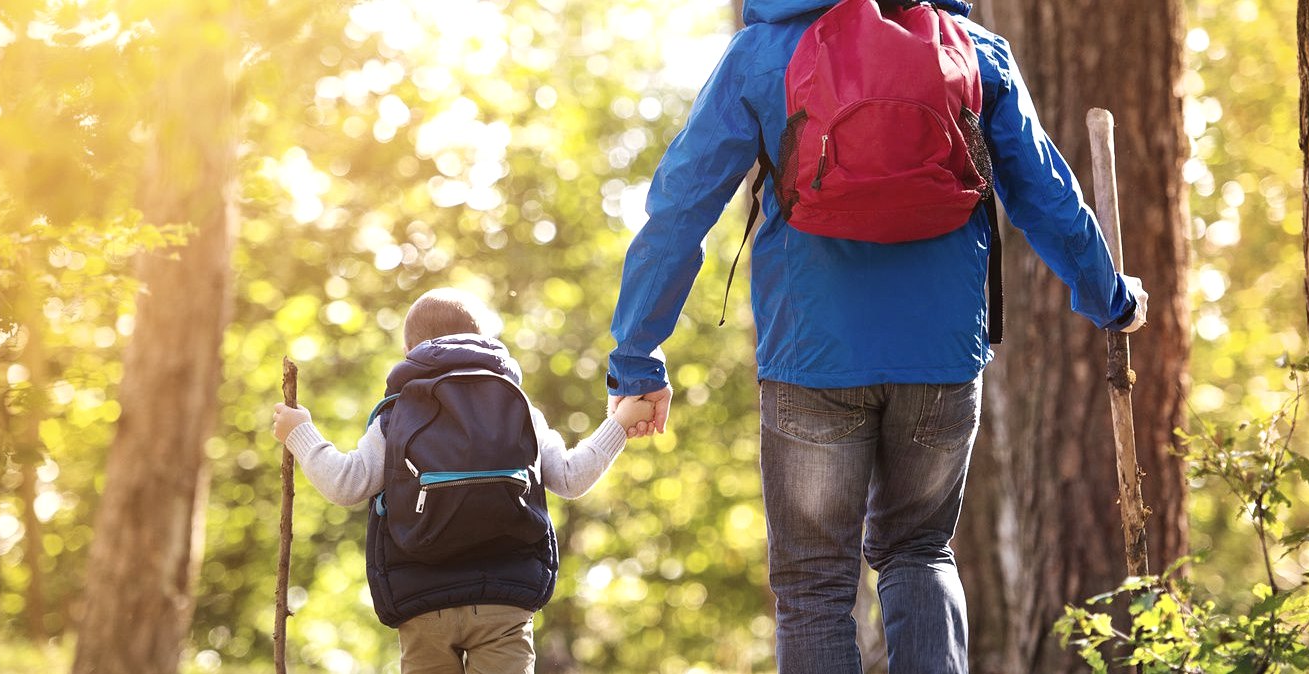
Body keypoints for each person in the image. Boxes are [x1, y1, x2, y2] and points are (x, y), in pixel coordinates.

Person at [604, 0, 1149, 670]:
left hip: (810, 358)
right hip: (938, 359)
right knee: (918, 553)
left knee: (813, 586)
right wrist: (1110, 299)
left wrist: (636, 358)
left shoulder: (763, 51)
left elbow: (680, 208)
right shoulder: (975, 52)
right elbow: (1048, 197)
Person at [273, 288, 653, 674]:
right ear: (486, 342)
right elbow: (571, 478)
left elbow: (346, 484)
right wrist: (619, 424)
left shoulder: (398, 414)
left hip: (422, 601)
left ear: (409, 349)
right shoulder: (517, 406)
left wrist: (300, 431)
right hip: (504, 600)